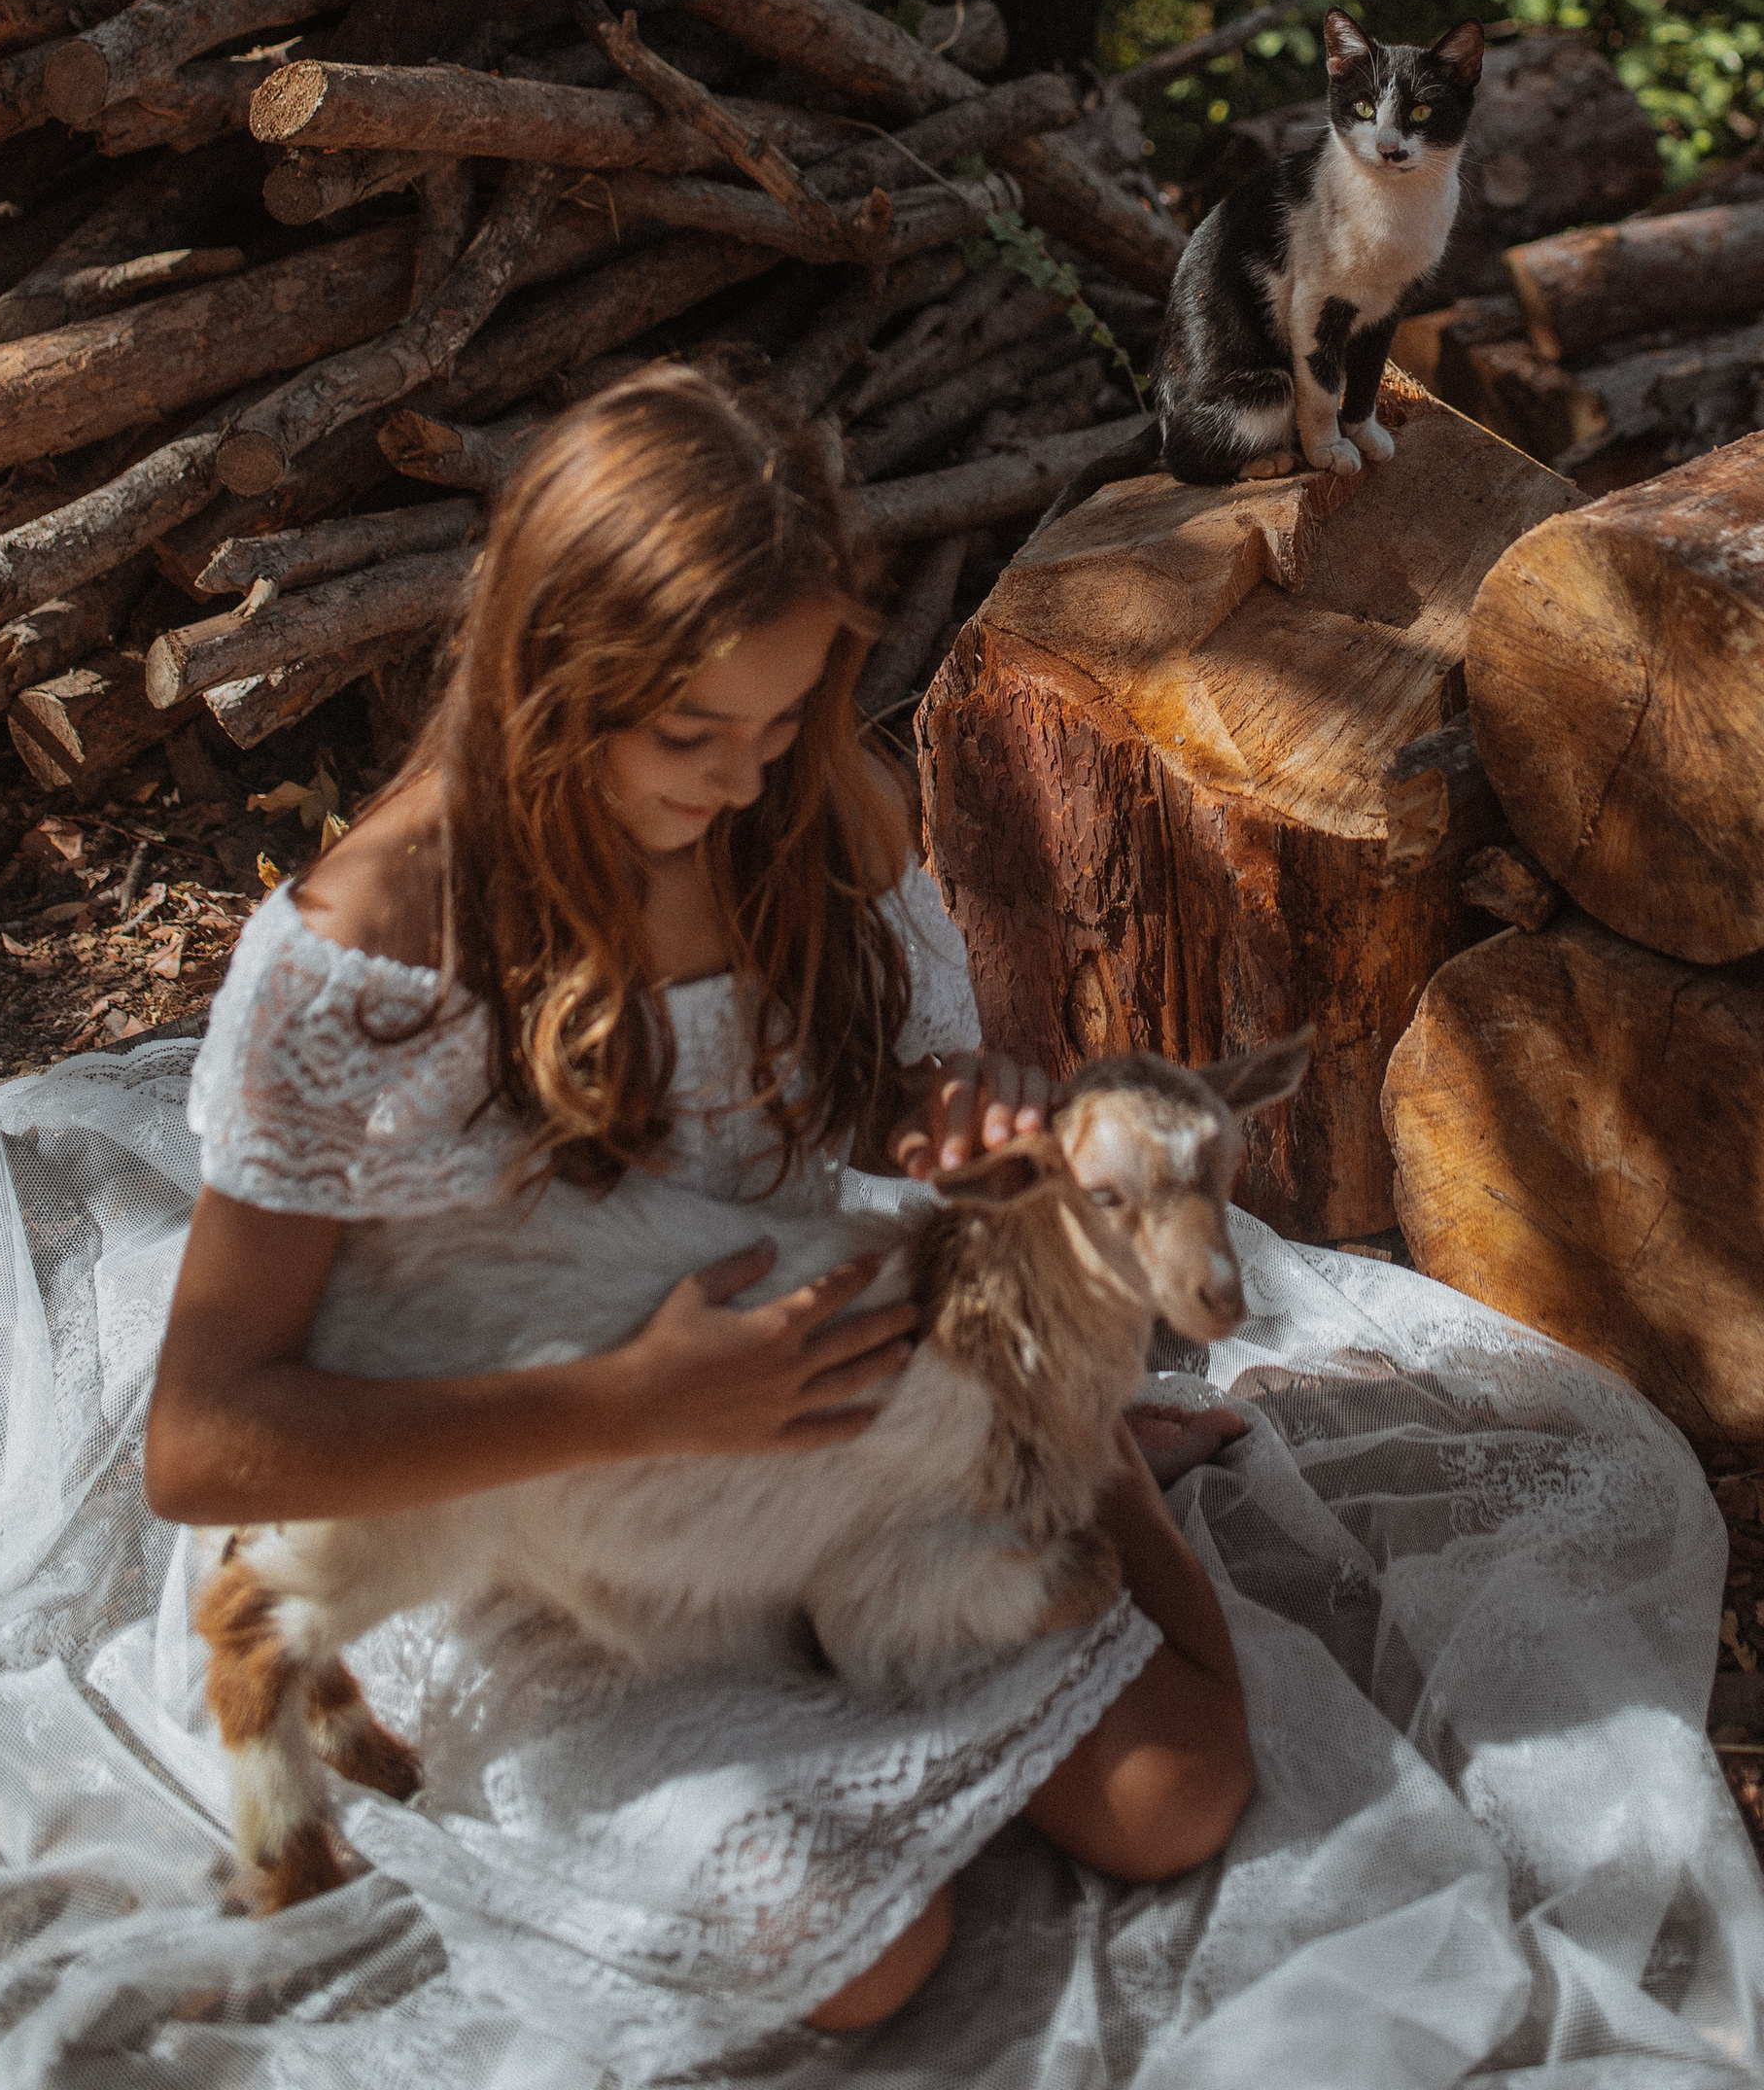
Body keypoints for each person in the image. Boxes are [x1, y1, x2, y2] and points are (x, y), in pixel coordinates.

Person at [142, 366, 1254, 2034]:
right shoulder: (373, 947)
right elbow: (203, 1442)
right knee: (867, 1957)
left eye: (782, 718)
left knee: (1177, 1795)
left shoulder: (791, 809)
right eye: (689, 734)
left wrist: (945, 1117)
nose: (741, 778)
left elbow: (857, 1098)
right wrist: (630, 1404)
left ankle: (1082, 1463)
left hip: (810, 1438)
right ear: (550, 671)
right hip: (515, 1512)